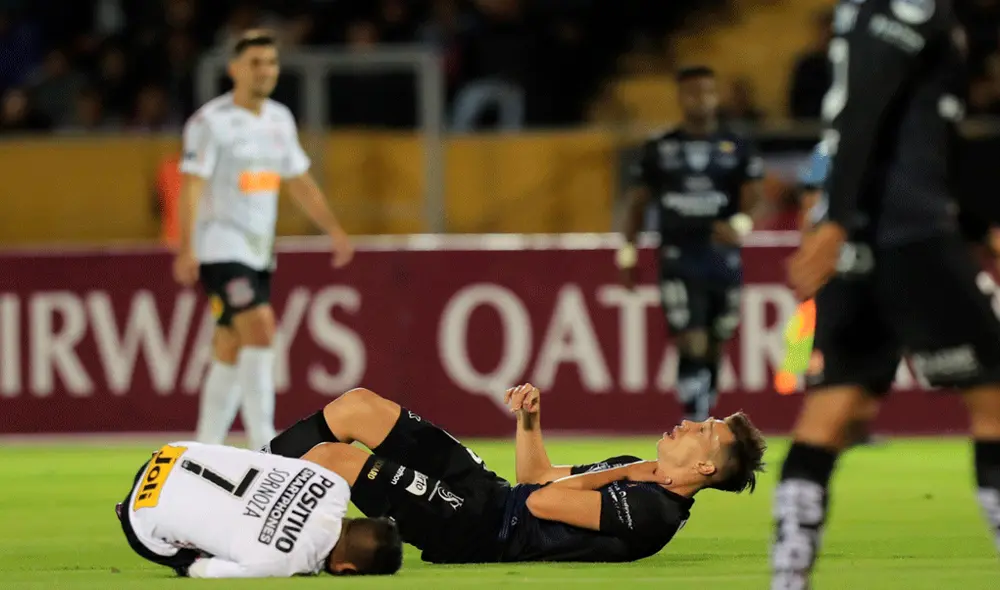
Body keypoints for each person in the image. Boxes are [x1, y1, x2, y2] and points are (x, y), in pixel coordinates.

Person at [772, 2, 1000, 588]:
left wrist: (973, 226)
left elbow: (896, 127)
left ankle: (789, 575)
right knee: (994, 401)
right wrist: (834, 219)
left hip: (865, 236)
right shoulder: (911, 7)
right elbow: (865, 109)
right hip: (906, 233)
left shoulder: (869, 12)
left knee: (833, 410)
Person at [261, 383, 767, 564]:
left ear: (704, 467)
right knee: (358, 407)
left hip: (477, 531)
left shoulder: (652, 509)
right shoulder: (642, 475)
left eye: (704, 430)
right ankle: (249, 469)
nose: (688, 423)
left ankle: (240, 518)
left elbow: (540, 503)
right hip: (489, 496)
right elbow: (537, 476)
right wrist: (529, 422)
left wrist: (635, 470)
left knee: (334, 459)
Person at [173, 30, 355, 450]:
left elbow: (299, 181)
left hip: (258, 251)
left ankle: (206, 445)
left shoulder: (279, 120)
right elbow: (192, 187)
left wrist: (333, 228)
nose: (265, 71)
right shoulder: (209, 123)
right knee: (260, 329)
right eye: (255, 63)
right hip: (221, 247)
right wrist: (187, 247)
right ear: (234, 69)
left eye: (271, 63)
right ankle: (264, 442)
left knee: (230, 343)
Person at [618, 65, 766, 422]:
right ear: (681, 97)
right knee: (690, 338)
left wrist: (741, 224)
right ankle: (694, 417)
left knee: (715, 341)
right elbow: (638, 202)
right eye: (692, 92)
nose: (701, 99)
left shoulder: (737, 145)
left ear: (716, 96)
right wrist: (627, 253)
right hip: (678, 256)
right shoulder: (661, 147)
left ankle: (704, 412)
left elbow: (755, 198)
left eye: (707, 92)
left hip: (722, 258)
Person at [115, 441, 402, 578]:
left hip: (176, 452)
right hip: (141, 513)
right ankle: (130, 514)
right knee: (193, 562)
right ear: (346, 569)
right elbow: (201, 571)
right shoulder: (281, 563)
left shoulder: (335, 484)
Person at [774, 140, 880, 447]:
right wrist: (813, 249)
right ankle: (822, 425)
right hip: (834, 263)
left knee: (862, 346)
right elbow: (810, 205)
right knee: (825, 348)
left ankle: (856, 424)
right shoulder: (830, 149)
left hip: (865, 261)